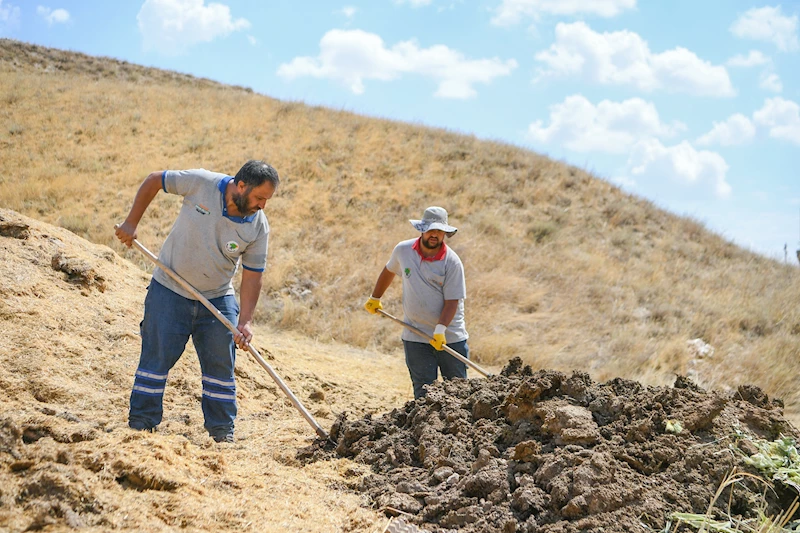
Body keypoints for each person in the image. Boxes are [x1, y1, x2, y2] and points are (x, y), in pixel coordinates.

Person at [114, 160, 279, 443]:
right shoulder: (201, 183)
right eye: (259, 197)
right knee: (155, 360)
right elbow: (154, 179)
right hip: (169, 290)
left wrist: (245, 321)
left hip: (217, 298)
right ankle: (141, 426)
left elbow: (253, 276)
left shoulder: (257, 227)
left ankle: (221, 433)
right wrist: (131, 222)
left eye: (267, 200)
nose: (263, 205)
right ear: (241, 186)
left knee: (220, 369)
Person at [365, 206, 469, 399]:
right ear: (422, 229)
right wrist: (375, 298)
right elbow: (389, 270)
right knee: (423, 394)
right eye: (430, 229)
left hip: (450, 338)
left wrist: (440, 330)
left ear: (445, 233)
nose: (434, 235)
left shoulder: (452, 262)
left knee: (458, 394)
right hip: (415, 334)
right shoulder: (403, 250)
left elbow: (452, 301)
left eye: (439, 231)